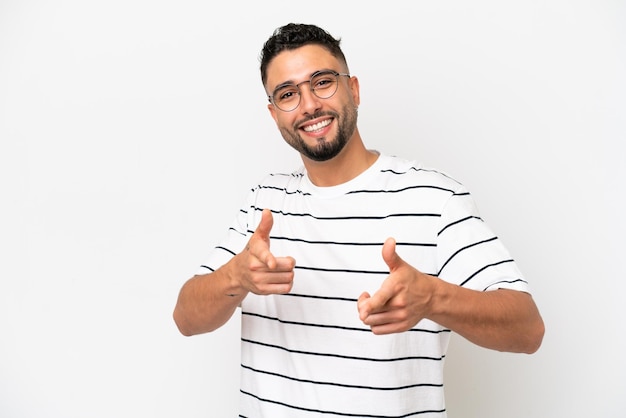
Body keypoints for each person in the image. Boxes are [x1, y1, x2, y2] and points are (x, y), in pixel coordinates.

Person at [173, 22, 544, 417]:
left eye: (322, 82)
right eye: (288, 94)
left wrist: (434, 298)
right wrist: (235, 277)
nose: (309, 105)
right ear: (274, 114)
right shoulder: (265, 203)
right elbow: (186, 317)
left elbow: (527, 329)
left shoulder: (434, 199)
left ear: (354, 89)